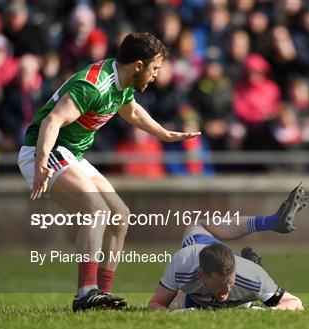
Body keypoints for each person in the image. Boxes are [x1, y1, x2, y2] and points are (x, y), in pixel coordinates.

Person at [17, 32, 200, 311]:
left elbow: (132, 112)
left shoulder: (124, 80)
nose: (156, 76)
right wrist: (41, 162)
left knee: (120, 216)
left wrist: (164, 134)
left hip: (70, 154)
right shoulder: (93, 86)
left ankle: (101, 295)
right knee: (96, 210)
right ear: (138, 65)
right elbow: (51, 122)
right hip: (44, 150)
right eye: (155, 69)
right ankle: (85, 294)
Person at [147, 184, 307, 311]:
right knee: (177, 302)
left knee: (197, 225)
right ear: (201, 274)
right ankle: (270, 221)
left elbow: (295, 303)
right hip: (196, 294)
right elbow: (154, 304)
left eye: (230, 282)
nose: (226, 288)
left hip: (239, 289)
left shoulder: (250, 276)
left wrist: (273, 312)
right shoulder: (183, 263)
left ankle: (271, 222)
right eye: (221, 284)